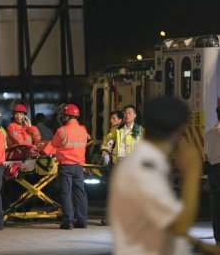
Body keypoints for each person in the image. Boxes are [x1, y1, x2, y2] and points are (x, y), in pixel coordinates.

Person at [108, 96, 220, 255]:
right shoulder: (144, 167)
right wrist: (190, 173)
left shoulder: (146, 162)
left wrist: (204, 248)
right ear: (176, 131)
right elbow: (178, 225)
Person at [44, 104, 89, 230]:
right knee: (80, 193)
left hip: (66, 166)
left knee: (66, 193)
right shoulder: (83, 130)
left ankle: (68, 221)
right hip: (79, 166)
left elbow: (53, 145)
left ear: (67, 116)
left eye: (64, 115)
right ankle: (82, 221)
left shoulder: (62, 130)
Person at [205, 106, 220, 245]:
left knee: (215, 207)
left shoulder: (209, 134)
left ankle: (218, 239)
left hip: (212, 172)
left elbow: (206, 155)